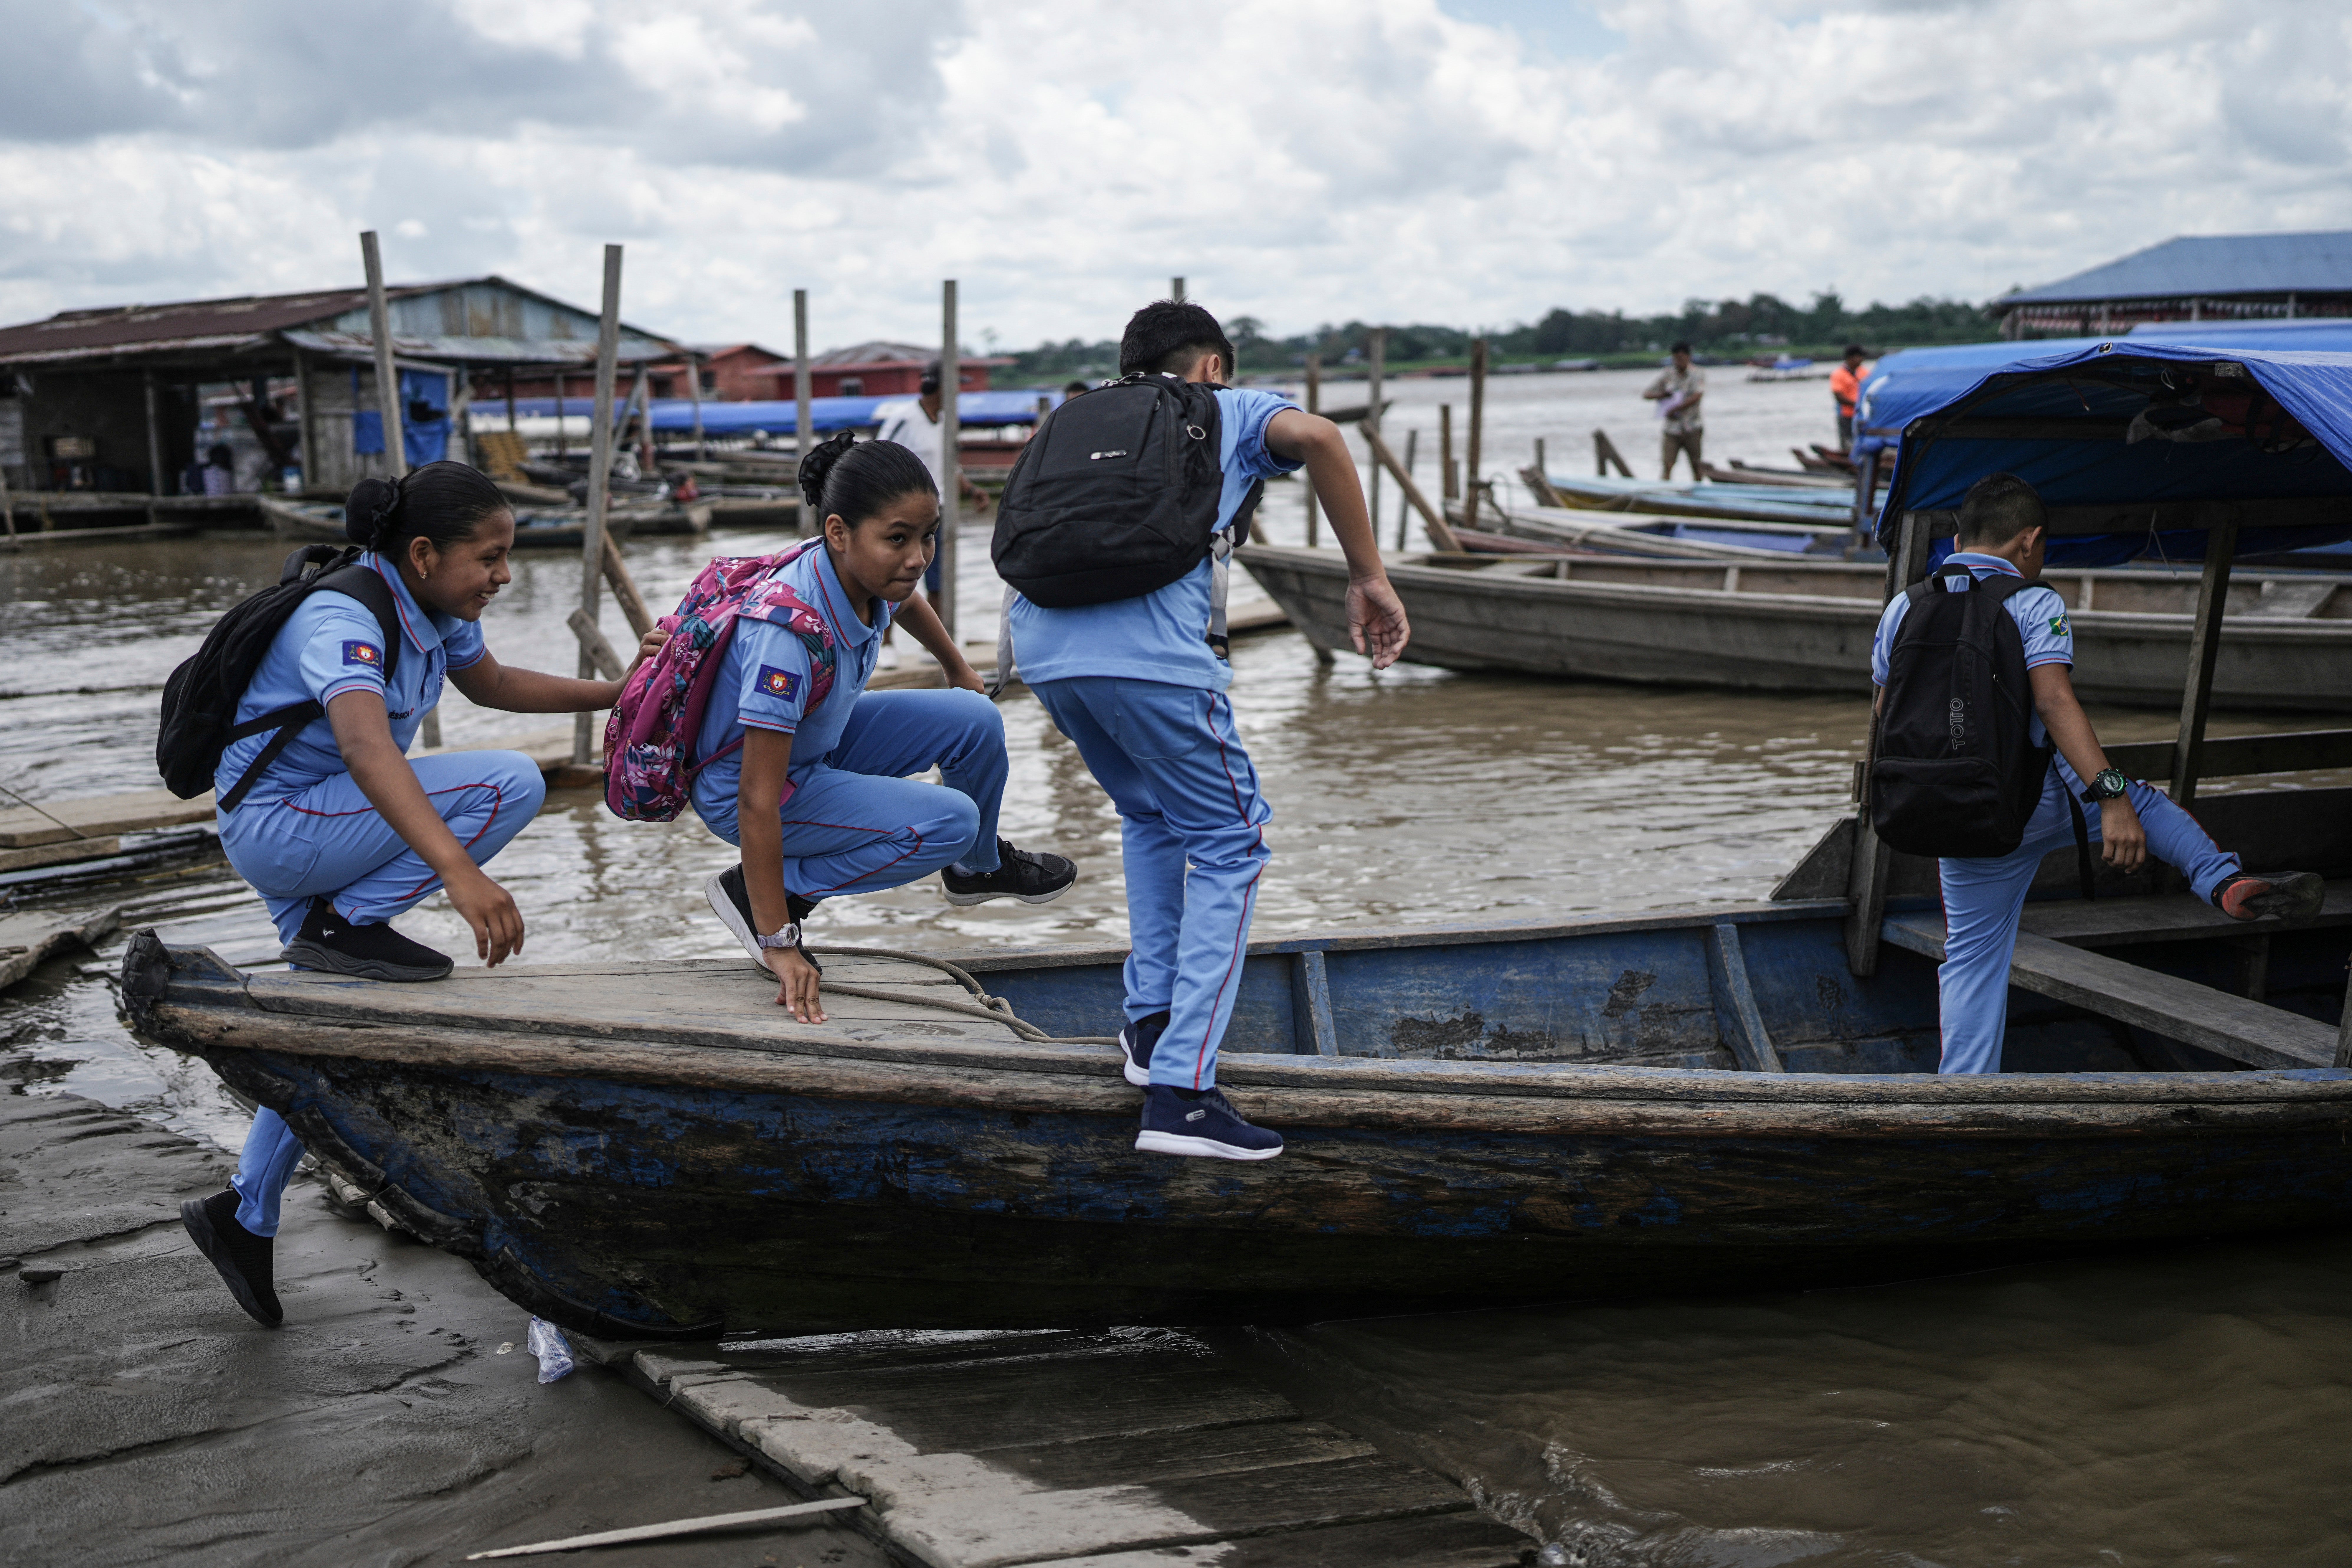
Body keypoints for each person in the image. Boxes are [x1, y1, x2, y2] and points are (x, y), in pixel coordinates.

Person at [181, 460, 666, 1326]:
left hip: (315, 823)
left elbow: (495, 685)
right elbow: (367, 748)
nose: (503, 575)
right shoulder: (343, 619)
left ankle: (243, 1214)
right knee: (508, 782)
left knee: (326, 1013)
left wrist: (625, 693)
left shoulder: (433, 609)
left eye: (507, 556)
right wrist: (458, 870)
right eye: (490, 557)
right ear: (421, 553)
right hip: (283, 825)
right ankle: (348, 921)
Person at [1007, 301, 1410, 1161]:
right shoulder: (1228, 407)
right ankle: (1184, 1094)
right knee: (1233, 843)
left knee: (1151, 815)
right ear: (1213, 365)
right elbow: (1324, 438)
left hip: (1044, 652)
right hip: (1155, 663)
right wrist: (1367, 576)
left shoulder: (1078, 416)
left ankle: (1151, 1025)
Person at [1870, 473, 2322, 1076]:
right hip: (2031, 803)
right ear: (2029, 541)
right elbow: (2054, 703)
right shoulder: (2033, 602)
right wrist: (2110, 799)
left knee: (1971, 958)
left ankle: (1964, 1093)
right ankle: (2220, 881)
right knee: (2145, 806)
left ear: (1958, 540)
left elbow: (1885, 710)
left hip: (1951, 816)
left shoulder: (1904, 605)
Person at [694, 433, 1076, 1025]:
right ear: (838, 532)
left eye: (928, 536)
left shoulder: (860, 570)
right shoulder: (787, 638)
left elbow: (906, 601)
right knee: (949, 820)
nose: (918, 558)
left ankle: (975, 869)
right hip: (750, 788)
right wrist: (778, 942)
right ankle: (769, 895)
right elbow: (755, 799)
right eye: (898, 539)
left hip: (815, 741)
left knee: (974, 719)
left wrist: (956, 667)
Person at [873, 363, 993, 612]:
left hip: (938, 512)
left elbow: (950, 466)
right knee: (891, 582)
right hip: (904, 514)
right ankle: (884, 635)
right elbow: (876, 459)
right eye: (955, 387)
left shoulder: (947, 422)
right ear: (941, 388)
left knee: (939, 582)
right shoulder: (905, 419)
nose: (958, 394)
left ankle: (935, 636)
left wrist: (971, 491)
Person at [1642, 343, 1706, 479]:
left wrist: (1676, 409)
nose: (1679, 362)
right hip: (1672, 428)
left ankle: (1698, 489)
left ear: (1689, 357)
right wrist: (1662, 395)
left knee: (1697, 466)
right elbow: (1647, 394)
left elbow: (1697, 396)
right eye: (1676, 358)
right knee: (1668, 464)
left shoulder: (1697, 374)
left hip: (1692, 427)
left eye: (1682, 358)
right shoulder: (1667, 374)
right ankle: (1664, 490)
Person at [1831, 344, 1871, 448]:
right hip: (1847, 415)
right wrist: (1858, 405)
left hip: (1862, 415)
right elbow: (1839, 397)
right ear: (1851, 358)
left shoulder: (1864, 372)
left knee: (1863, 440)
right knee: (1848, 442)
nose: (1862, 359)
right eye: (1860, 356)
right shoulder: (1839, 374)